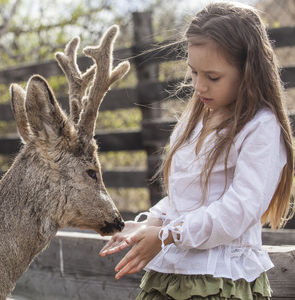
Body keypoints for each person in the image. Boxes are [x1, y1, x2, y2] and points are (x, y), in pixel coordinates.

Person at [100, 2, 294, 300]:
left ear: (248, 70)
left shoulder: (260, 128)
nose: (199, 86)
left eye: (212, 77)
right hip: (172, 274)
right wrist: (151, 223)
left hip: (219, 280)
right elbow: (187, 196)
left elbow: (238, 210)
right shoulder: (195, 121)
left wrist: (167, 236)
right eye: (193, 73)